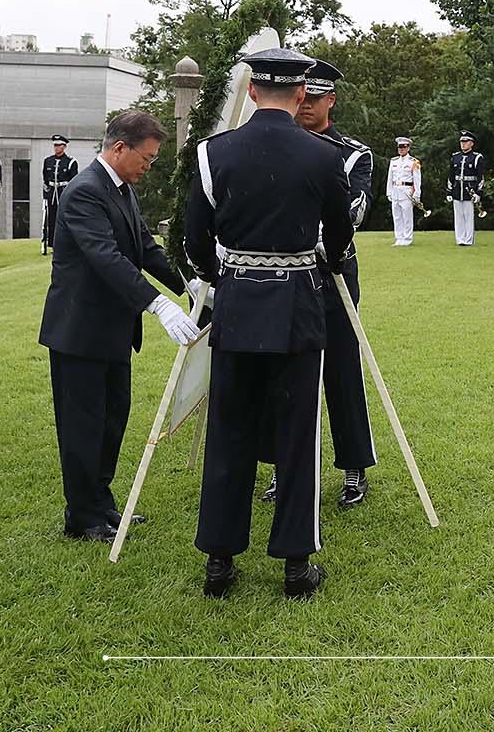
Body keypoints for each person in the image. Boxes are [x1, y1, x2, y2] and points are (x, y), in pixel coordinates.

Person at [184, 47, 353, 600]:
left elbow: (194, 245)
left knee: (228, 431)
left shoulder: (212, 153)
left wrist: (228, 277)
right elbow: (338, 241)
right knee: (296, 434)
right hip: (299, 306)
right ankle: (296, 566)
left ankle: (219, 561)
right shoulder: (324, 157)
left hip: (236, 305)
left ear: (253, 91)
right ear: (301, 93)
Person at [38, 110, 200, 542]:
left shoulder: (122, 189)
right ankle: (82, 516)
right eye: (146, 158)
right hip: (80, 332)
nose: (149, 166)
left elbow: (144, 248)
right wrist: (158, 305)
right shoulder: (84, 192)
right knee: (82, 426)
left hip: (112, 331)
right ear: (119, 148)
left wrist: (190, 282)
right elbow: (106, 258)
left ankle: (101, 502)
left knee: (112, 420)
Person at [259, 58, 377, 508]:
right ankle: (280, 467)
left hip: (331, 274)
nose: (306, 106)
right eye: (301, 96)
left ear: (331, 100)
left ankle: (353, 467)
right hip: (283, 276)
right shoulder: (273, 144)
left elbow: (353, 212)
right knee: (280, 374)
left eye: (316, 98)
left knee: (343, 371)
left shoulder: (353, 154)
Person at [446, 130, 485, 246]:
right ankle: (460, 239)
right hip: (458, 189)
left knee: (468, 216)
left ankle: (468, 240)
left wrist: (478, 193)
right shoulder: (455, 157)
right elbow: (451, 176)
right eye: (462, 141)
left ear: (472, 143)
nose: (463, 144)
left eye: (466, 141)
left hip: (470, 190)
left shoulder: (477, 157)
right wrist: (449, 191)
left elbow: (480, 177)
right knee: (458, 217)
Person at [41, 134, 79, 255]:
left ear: (64, 146)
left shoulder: (71, 162)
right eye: (55, 145)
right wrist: (45, 196)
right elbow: (45, 180)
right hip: (52, 194)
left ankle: (64, 245)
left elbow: (73, 181)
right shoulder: (48, 161)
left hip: (63, 193)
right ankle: (51, 245)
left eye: (59, 145)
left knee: (63, 220)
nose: (57, 148)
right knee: (51, 221)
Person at [386, 137, 420, 246]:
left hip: (407, 191)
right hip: (396, 190)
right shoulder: (394, 161)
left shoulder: (413, 162)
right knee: (397, 216)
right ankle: (399, 237)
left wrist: (417, 194)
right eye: (399, 147)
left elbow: (417, 179)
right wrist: (389, 192)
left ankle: (407, 238)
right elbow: (390, 178)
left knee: (407, 216)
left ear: (408, 148)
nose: (401, 149)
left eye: (403, 147)